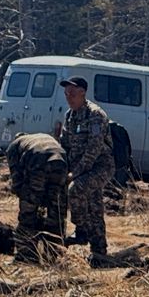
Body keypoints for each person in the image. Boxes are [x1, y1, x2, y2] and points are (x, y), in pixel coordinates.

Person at [51, 76, 113, 264]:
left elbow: (93, 150)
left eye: (72, 93)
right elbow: (65, 145)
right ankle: (99, 250)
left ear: (83, 93)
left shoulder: (95, 115)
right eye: (66, 94)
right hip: (80, 168)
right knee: (94, 205)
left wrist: (74, 174)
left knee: (76, 189)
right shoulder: (70, 116)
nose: (68, 98)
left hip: (99, 167)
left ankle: (82, 231)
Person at [6, 132, 69, 264]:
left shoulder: (14, 146)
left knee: (28, 212)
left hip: (38, 161)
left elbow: (16, 179)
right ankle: (53, 254)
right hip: (61, 160)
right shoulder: (42, 137)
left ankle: (26, 255)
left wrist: (26, 198)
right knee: (56, 211)